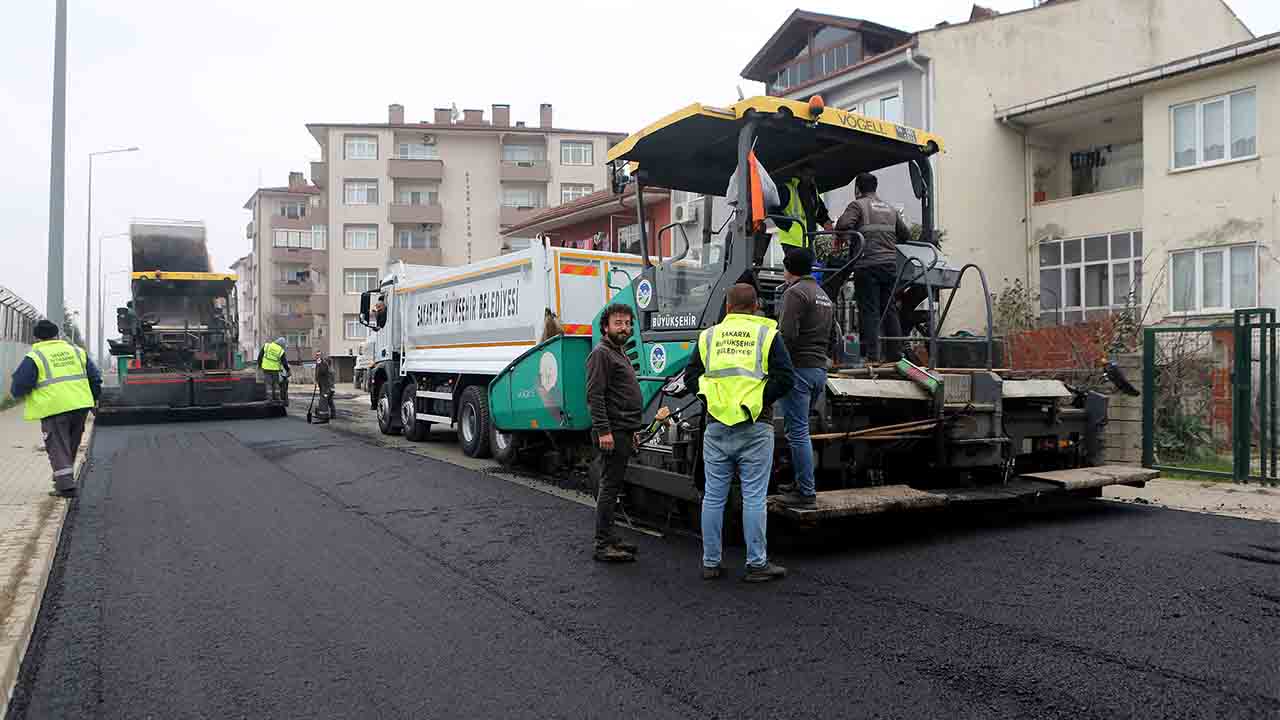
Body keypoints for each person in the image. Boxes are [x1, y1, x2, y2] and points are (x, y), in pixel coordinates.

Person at [686, 283, 794, 582]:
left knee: (713, 497)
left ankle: (710, 563)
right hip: (756, 426)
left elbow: (691, 377)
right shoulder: (767, 335)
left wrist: (711, 400)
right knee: (754, 498)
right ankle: (756, 564)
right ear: (757, 305)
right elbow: (786, 378)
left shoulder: (709, 336)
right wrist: (757, 401)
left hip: (716, 426)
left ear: (728, 306)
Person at [8, 320, 102, 498]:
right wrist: (94, 398)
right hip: (80, 405)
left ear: (36, 337)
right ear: (57, 334)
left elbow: (21, 383)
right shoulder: (76, 351)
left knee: (58, 446)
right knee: (71, 443)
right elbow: (95, 377)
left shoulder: (36, 356)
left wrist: (16, 395)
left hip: (54, 407)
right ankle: (63, 477)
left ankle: (65, 486)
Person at [775, 248, 835, 508]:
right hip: (818, 370)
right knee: (797, 429)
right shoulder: (824, 296)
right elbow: (834, 336)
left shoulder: (795, 292)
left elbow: (786, 335)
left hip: (798, 369)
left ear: (789, 268)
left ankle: (806, 492)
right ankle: (799, 482)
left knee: (798, 432)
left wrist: (775, 366)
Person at [585, 303, 644, 563]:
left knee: (613, 485)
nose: (624, 328)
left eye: (627, 323)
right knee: (609, 487)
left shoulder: (619, 352)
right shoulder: (601, 354)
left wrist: (632, 430)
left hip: (623, 429)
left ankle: (610, 536)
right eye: (618, 323)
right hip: (612, 431)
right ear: (605, 326)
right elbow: (595, 395)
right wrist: (604, 431)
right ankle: (602, 544)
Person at [835, 173, 911, 363]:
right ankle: (895, 354)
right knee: (889, 309)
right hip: (890, 265)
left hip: (867, 264)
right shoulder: (890, 208)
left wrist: (840, 233)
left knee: (870, 311)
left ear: (857, 189)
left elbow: (845, 224)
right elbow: (905, 234)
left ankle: (873, 356)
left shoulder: (858, 205)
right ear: (875, 188)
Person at [755, 165, 833, 268]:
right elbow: (772, 209)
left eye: (812, 175)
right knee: (798, 272)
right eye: (807, 174)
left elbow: (819, 210)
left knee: (807, 271)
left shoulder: (812, 191)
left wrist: (826, 222)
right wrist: (789, 226)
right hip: (791, 241)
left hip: (808, 239)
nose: (811, 178)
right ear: (798, 174)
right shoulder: (787, 189)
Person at [257, 336, 290, 404]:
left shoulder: (267, 346)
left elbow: (260, 356)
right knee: (276, 384)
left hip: (266, 369)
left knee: (268, 384)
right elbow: (284, 362)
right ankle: (277, 398)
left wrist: (260, 365)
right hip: (275, 370)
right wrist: (288, 370)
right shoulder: (281, 350)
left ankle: (269, 399)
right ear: (282, 344)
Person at [314, 350, 336, 418]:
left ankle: (324, 414)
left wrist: (319, 365)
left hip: (327, 388)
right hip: (330, 388)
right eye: (317, 355)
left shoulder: (327, 369)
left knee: (323, 400)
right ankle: (333, 414)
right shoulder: (330, 369)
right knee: (329, 401)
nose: (318, 357)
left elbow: (321, 373)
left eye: (319, 355)